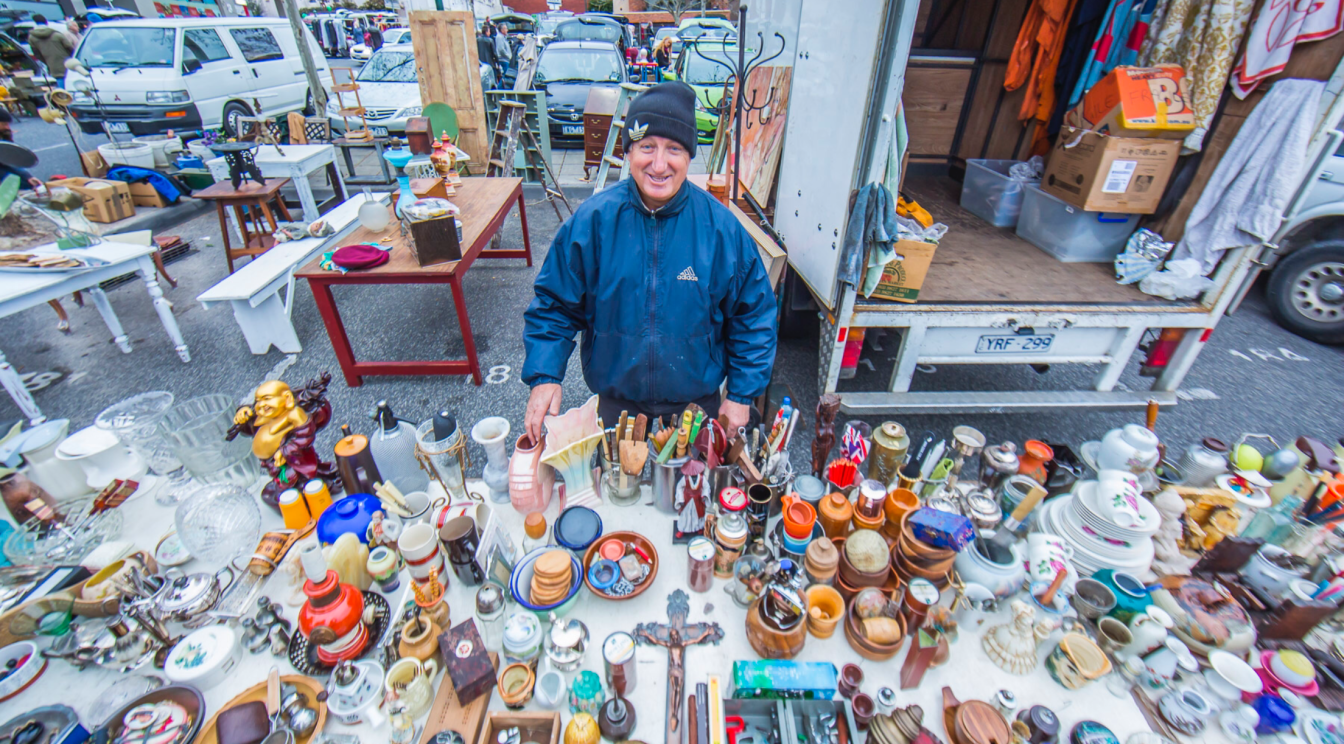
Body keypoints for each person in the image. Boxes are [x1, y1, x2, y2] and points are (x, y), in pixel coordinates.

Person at [522, 82, 776, 440]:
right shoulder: (594, 222)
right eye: (647, 147)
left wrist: (740, 394)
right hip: (616, 404)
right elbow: (554, 305)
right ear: (629, 152)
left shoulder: (720, 230)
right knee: (616, 490)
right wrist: (545, 375)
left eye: (673, 148)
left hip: (695, 405)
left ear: (690, 156)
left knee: (690, 492)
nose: (659, 164)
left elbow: (754, 314)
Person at [0, 110, 42, 190]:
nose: (7, 127)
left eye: (8, 124)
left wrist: (28, 177)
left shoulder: (3, 135)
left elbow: (9, 161)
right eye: (4, 124)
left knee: (27, 184)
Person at [28, 15, 75, 79]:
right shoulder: (57, 35)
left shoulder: (32, 38)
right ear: (46, 22)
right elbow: (70, 49)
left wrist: (47, 62)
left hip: (52, 67)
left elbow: (37, 54)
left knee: (60, 85)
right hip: (67, 65)